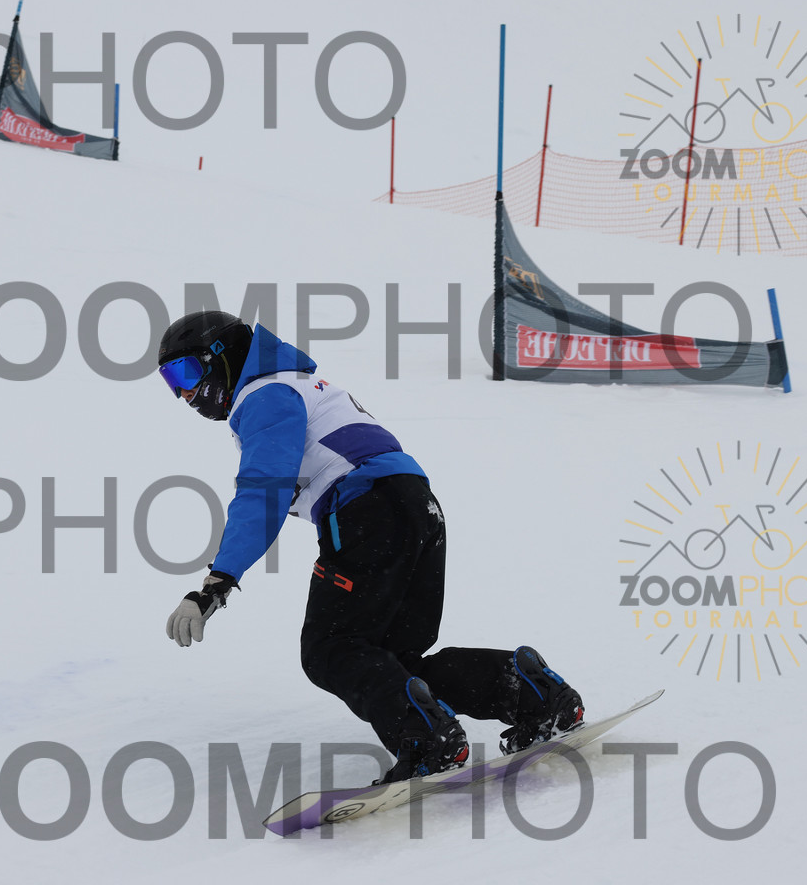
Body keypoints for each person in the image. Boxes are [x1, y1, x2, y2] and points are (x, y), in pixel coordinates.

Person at [158, 311, 584, 783]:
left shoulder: (265, 394)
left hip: (366, 511)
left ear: (224, 355)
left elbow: (262, 491)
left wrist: (218, 580)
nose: (183, 393)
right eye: (170, 382)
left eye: (186, 373)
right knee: (393, 663)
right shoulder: (301, 386)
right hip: (416, 508)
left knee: (330, 650)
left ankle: (428, 741)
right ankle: (530, 694)